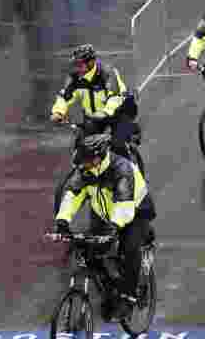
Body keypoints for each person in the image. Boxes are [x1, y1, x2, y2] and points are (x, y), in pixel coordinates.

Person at [50, 133, 156, 321]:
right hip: (105, 213)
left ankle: (128, 299)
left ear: (98, 158)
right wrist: (63, 220)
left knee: (129, 249)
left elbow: (124, 204)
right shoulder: (86, 169)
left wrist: (114, 227)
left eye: (86, 163)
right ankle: (111, 292)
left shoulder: (121, 170)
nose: (82, 167)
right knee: (91, 251)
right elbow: (73, 194)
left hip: (135, 211)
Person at [50, 44, 138, 161]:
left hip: (118, 113)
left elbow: (115, 97)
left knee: (118, 146)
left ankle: (134, 174)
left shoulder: (107, 73)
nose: (77, 68)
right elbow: (64, 97)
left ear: (91, 62)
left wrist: (106, 112)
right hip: (94, 118)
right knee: (83, 149)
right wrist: (58, 112)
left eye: (80, 64)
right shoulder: (76, 77)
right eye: (75, 64)